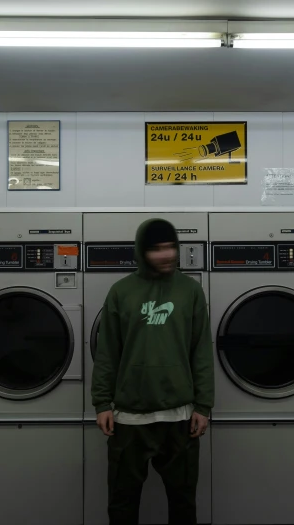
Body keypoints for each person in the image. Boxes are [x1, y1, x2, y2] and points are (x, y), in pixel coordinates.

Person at [91, 218, 214, 525]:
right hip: (129, 417)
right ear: (141, 252)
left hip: (180, 417)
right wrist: (102, 402)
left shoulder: (191, 291)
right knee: (122, 506)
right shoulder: (121, 292)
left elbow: (201, 351)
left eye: (171, 247)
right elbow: (108, 352)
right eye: (157, 249)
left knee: (183, 505)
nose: (166, 255)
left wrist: (203, 405)